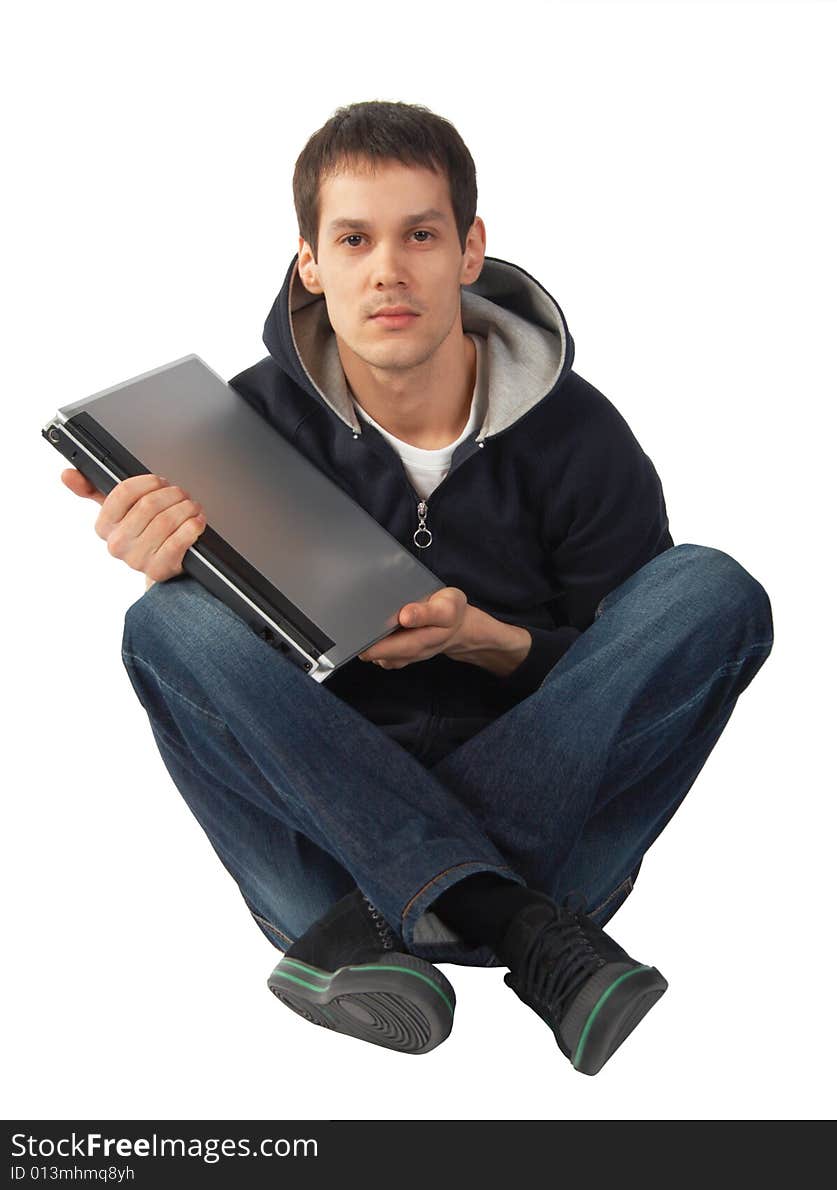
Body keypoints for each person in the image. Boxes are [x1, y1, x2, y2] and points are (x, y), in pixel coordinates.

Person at [61, 99, 774, 1077]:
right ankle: (502, 916)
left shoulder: (579, 435)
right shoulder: (246, 421)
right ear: (309, 262)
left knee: (707, 586)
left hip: (511, 862)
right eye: (353, 238)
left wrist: (491, 639)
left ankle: (432, 899)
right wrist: (187, 561)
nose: (387, 268)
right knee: (166, 619)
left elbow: (629, 665)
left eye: (420, 234)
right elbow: (249, 692)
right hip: (355, 869)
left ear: (469, 249)